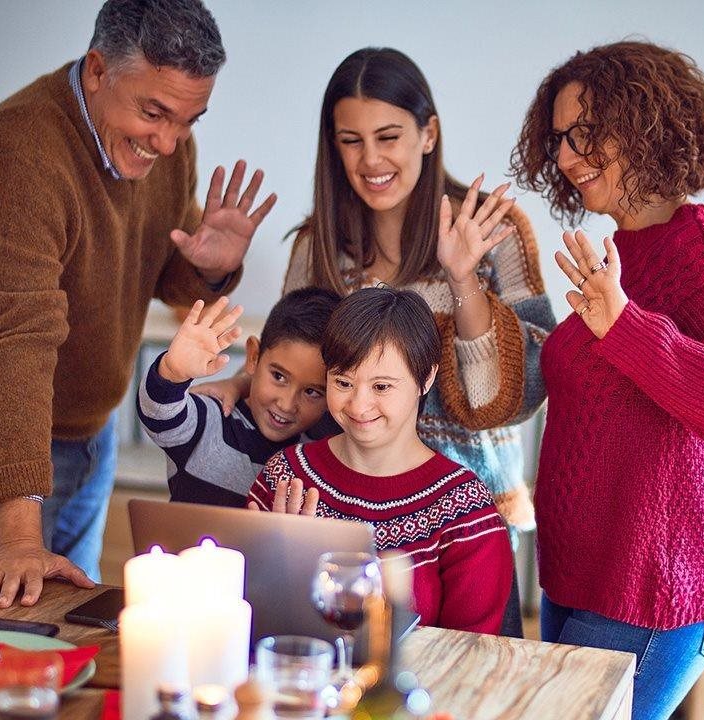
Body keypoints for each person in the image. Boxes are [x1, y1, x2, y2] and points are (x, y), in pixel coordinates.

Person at [0, 0, 277, 609]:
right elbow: (18, 343)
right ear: (99, 70)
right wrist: (21, 538)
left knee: (72, 614)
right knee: (11, 624)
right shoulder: (17, 160)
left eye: (189, 119)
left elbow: (163, 274)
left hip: (86, 423)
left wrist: (211, 269)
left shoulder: (165, 145)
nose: (169, 140)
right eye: (154, 113)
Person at [509, 41, 704, 719]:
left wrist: (625, 326)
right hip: (581, 581)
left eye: (585, 134)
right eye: (559, 141)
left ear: (645, 124)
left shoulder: (703, 251)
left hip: (651, 595)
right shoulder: (623, 250)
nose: (568, 158)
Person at [199, 46, 553, 533]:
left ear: (428, 134)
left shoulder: (493, 229)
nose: (370, 160)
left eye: (388, 136)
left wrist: (462, 279)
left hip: (474, 522)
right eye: (351, 140)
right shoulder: (317, 243)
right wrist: (243, 382)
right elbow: (296, 360)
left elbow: (527, 390)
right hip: (345, 517)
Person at [249, 287, 513, 635]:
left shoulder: (464, 509)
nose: (358, 406)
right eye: (343, 382)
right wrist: (282, 561)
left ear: (426, 378)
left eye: (382, 387)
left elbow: (472, 652)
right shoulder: (285, 476)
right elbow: (249, 613)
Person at [137, 288, 341, 506]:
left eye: (312, 392)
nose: (286, 404)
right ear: (253, 357)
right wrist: (172, 372)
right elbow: (159, 415)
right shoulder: (212, 420)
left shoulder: (320, 452)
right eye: (279, 376)